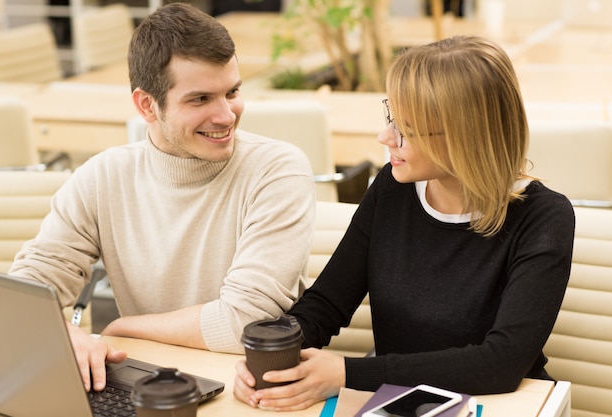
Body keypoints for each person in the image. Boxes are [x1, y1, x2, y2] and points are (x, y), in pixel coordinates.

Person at [234, 35, 575, 411]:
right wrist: (270, 359)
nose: (385, 137)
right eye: (391, 118)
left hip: (500, 404)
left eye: (407, 129)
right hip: (401, 402)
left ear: (465, 137)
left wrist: (348, 374)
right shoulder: (391, 189)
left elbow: (502, 362)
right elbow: (327, 304)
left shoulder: (544, 216)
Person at [9, 2, 315, 393]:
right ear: (146, 105)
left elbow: (245, 321)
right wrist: (58, 333)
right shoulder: (101, 177)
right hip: (151, 389)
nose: (226, 116)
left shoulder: (277, 169)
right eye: (200, 99)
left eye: (233, 92)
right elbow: (29, 288)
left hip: (251, 393)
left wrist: (121, 329)